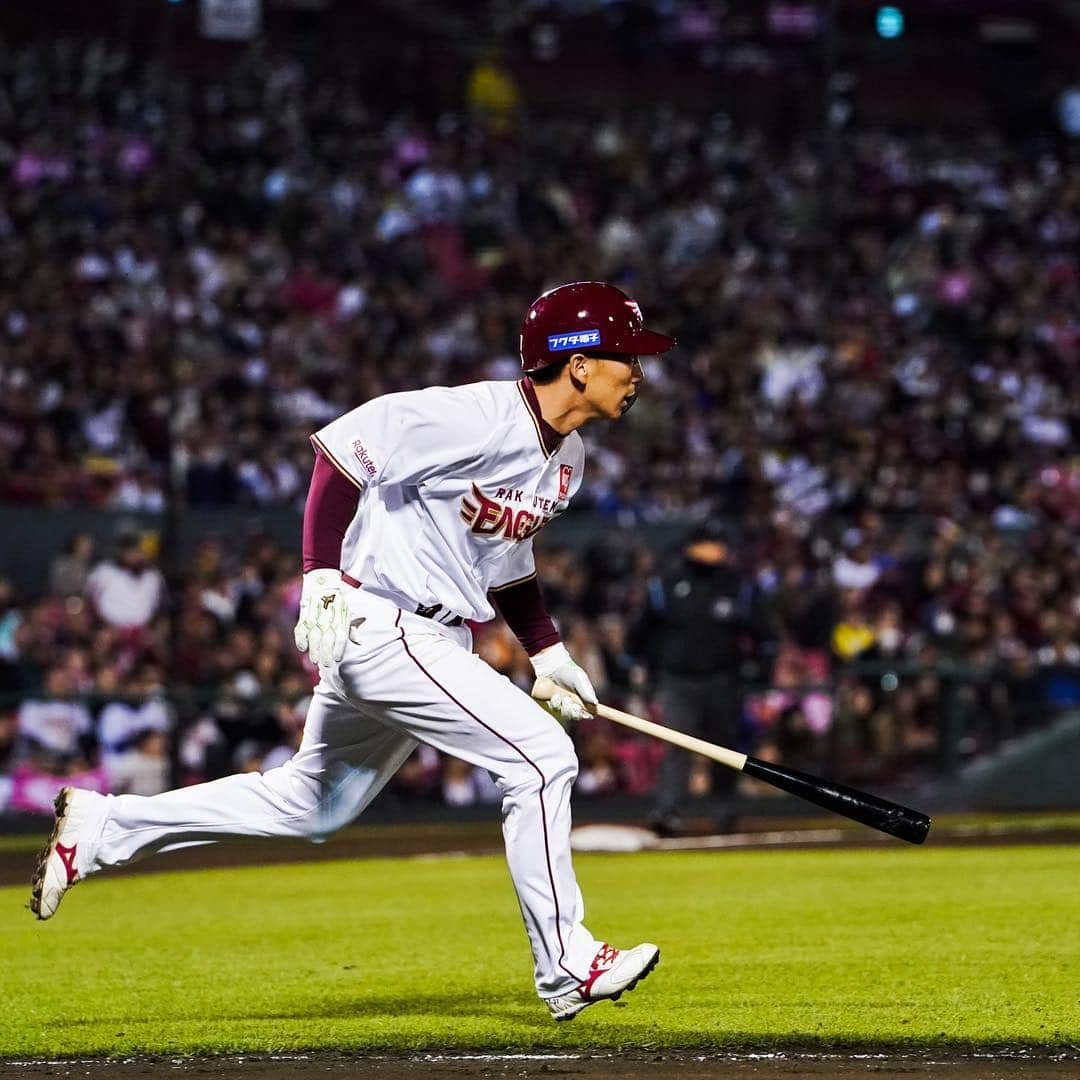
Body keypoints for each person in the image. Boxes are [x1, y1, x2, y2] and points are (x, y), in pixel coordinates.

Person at [29, 282, 676, 1022]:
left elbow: (509, 561)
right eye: (627, 355)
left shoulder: (569, 460)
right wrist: (320, 577)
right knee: (541, 758)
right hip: (382, 624)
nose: (639, 371)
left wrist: (548, 653)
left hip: (429, 635)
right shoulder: (475, 414)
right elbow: (343, 450)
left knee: (314, 805)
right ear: (579, 363)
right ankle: (566, 965)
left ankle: (107, 828)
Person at [638, 522, 759, 837]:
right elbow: (642, 631)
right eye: (709, 543)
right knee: (677, 745)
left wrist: (758, 667)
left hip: (723, 679)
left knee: (725, 748)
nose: (716, 550)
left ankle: (724, 810)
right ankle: (669, 810)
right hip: (678, 680)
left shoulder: (736, 586)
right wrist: (642, 665)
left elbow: (761, 631)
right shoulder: (666, 585)